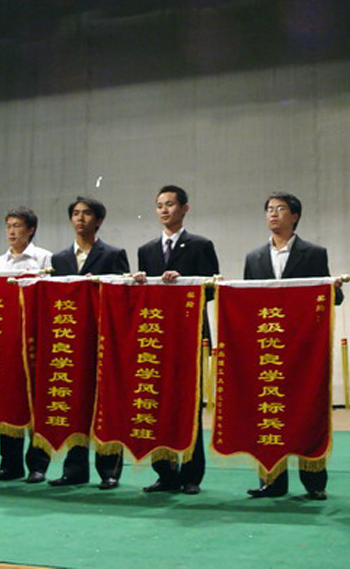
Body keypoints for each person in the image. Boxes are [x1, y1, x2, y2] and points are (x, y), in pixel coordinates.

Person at [243, 191, 343, 501]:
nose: (273, 214)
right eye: (269, 209)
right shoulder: (254, 258)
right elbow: (246, 303)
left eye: (281, 209)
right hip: (268, 347)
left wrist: (334, 288)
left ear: (295, 216)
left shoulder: (313, 254)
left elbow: (333, 298)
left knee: (307, 410)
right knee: (269, 411)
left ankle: (314, 482)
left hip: (304, 349)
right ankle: (271, 481)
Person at [25, 195, 129, 489]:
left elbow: (123, 297)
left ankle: (109, 471)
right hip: (69, 344)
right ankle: (75, 469)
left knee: (106, 404)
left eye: (87, 214)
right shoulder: (59, 259)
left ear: (99, 220)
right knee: (73, 404)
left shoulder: (113, 254)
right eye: (76, 214)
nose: (80, 219)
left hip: (102, 342)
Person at [135, 185, 219, 496]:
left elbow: (212, 288)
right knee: (157, 403)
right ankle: (165, 473)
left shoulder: (200, 245)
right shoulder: (146, 250)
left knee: (189, 404)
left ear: (185, 208)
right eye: (159, 205)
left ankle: (192, 474)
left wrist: (183, 284)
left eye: (170, 204)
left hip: (190, 334)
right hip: (156, 336)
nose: (164, 210)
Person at [0, 206, 52, 482]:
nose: (11, 231)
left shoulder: (44, 258)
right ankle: (9, 465)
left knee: (36, 403)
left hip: (34, 339)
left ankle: (38, 465)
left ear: (31, 230)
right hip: (6, 342)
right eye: (8, 226)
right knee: (8, 401)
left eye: (17, 226)